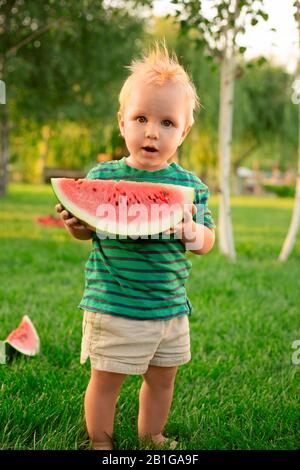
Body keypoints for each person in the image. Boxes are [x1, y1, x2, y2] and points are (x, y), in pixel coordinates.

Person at [55, 41, 216, 451]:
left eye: (166, 122)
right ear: (122, 122)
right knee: (106, 379)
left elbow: (206, 241)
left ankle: (153, 435)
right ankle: (100, 443)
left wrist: (194, 234)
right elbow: (91, 230)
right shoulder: (104, 176)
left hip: (169, 308)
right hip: (115, 304)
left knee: (163, 379)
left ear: (184, 131)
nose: (151, 131)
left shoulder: (190, 187)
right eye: (141, 118)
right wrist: (77, 224)